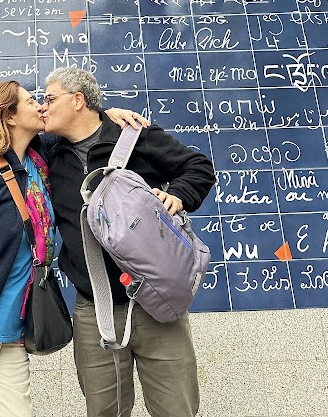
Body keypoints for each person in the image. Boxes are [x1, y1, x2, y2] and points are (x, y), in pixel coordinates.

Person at [0, 79, 148, 417]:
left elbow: (78, 125)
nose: (40, 105)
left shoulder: (39, 161)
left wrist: (104, 114)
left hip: (13, 336)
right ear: (8, 116)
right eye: (31, 100)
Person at [41, 67, 216, 417]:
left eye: (48, 99)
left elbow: (198, 167)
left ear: (77, 101)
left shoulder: (135, 137)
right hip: (94, 312)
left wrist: (178, 196)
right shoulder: (46, 151)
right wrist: (105, 110)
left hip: (157, 306)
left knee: (175, 409)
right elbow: (5, 124)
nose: (42, 107)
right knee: (104, 411)